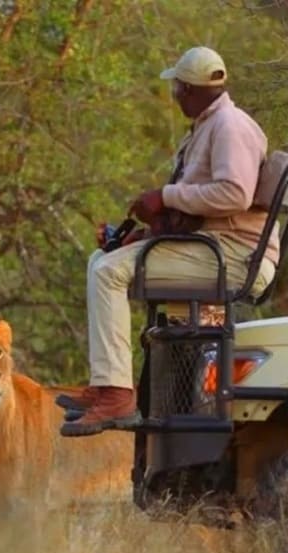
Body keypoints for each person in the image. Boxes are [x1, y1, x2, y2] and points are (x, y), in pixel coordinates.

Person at [62, 46, 276, 436]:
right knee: (101, 259)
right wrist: (149, 231)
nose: (174, 96)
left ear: (189, 89)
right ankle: (107, 384)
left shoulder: (230, 126)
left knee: (109, 272)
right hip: (213, 246)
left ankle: (117, 396)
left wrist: (166, 197)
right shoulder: (210, 126)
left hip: (233, 255)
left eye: (176, 88)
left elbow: (234, 194)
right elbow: (204, 207)